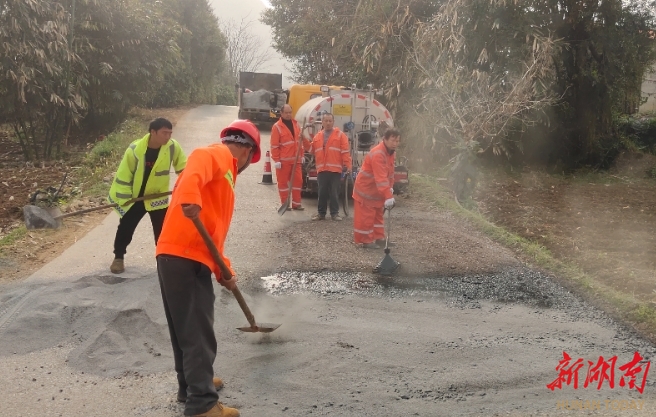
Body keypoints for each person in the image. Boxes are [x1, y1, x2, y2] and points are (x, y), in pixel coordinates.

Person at [155, 119, 261, 417]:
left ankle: (190, 385)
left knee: (184, 330)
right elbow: (197, 161)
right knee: (199, 332)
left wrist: (223, 269)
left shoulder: (224, 177)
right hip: (185, 256)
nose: (244, 167)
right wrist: (189, 199)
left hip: (178, 254)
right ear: (245, 150)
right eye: (248, 161)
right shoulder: (218, 155)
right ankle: (202, 404)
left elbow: (212, 233)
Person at [108, 117, 187, 274]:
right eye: (164, 133)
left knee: (163, 232)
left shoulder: (172, 147)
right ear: (153, 132)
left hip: (157, 198)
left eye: (170, 133)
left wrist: (188, 186)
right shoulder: (135, 149)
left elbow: (183, 168)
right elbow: (124, 174)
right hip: (135, 198)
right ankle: (118, 257)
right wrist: (124, 197)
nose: (168, 137)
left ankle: (164, 262)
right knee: (126, 227)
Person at [352, 128, 401, 249]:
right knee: (366, 217)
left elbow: (389, 173)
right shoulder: (378, 154)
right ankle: (366, 241)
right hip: (366, 190)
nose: (395, 143)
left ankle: (379, 238)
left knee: (378, 216)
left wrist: (390, 188)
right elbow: (380, 177)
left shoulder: (391, 153)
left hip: (376, 191)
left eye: (397, 141)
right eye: (393, 140)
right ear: (385, 139)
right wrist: (388, 195)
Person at [305, 112, 352, 221]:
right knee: (322, 193)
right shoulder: (318, 136)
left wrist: (348, 165)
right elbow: (312, 150)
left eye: (330, 121)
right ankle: (321, 214)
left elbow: (345, 152)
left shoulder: (340, 135)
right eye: (326, 121)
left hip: (335, 170)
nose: (328, 123)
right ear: (322, 122)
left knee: (334, 193)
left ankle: (334, 214)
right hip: (322, 169)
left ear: (333, 122)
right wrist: (303, 140)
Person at [270, 104, 305, 210]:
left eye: (290, 112)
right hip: (283, 162)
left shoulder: (296, 124)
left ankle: (296, 204)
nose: (289, 114)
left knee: (298, 182)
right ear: (281, 113)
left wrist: (302, 154)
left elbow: (299, 142)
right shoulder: (277, 127)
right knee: (283, 184)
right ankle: (285, 204)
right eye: (286, 112)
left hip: (296, 160)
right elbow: (274, 145)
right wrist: (276, 159)